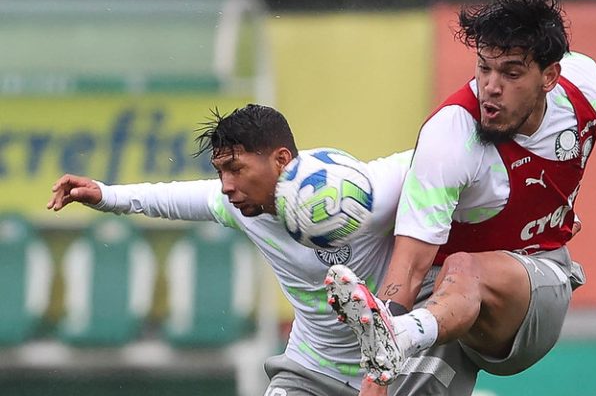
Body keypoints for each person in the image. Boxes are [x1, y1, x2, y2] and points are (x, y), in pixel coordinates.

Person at [46, 104, 479, 396]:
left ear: (281, 158)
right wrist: (103, 194)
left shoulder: (366, 188)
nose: (227, 186)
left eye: (235, 168)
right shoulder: (241, 208)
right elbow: (171, 197)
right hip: (313, 369)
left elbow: (441, 153)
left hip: (398, 367)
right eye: (220, 171)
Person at [326, 0, 596, 389]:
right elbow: (408, 269)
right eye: (483, 67)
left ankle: (403, 336)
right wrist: (378, 363)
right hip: (447, 302)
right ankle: (400, 338)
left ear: (550, 77)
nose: (490, 88)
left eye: (511, 73)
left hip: (538, 286)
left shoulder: (587, 90)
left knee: (463, 266)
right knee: (445, 283)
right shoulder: (450, 137)